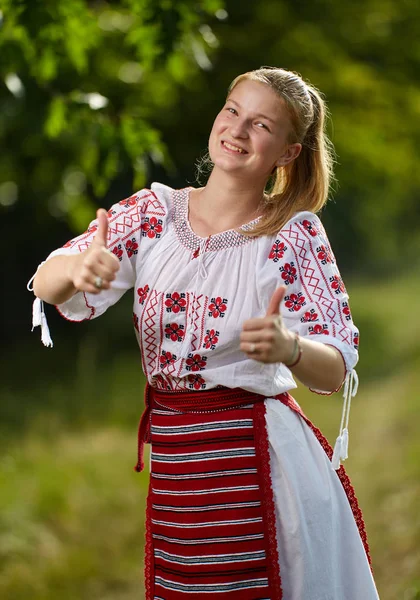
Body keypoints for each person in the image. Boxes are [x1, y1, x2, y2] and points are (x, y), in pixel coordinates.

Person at [29, 67, 380, 599]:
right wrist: (75, 272)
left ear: (287, 153)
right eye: (232, 110)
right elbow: (47, 279)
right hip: (177, 461)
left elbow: (335, 364)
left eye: (261, 124)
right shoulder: (151, 215)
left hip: (261, 464)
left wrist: (290, 348)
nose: (237, 130)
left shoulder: (292, 234)